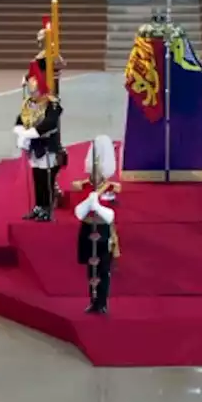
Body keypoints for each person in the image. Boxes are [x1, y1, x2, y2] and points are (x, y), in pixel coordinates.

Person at [73, 135, 121, 315]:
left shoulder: (110, 189)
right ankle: (92, 300)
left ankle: (102, 302)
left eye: (97, 174)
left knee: (103, 269)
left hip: (102, 231)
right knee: (91, 269)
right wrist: (89, 200)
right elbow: (78, 212)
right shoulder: (84, 187)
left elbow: (109, 215)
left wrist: (97, 203)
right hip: (87, 230)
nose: (94, 176)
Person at [13, 74, 63, 222]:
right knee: (37, 177)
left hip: (47, 145)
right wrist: (21, 132)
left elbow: (50, 123)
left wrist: (30, 133)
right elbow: (20, 119)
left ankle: (47, 208)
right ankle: (39, 206)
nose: (32, 94)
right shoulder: (29, 103)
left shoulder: (52, 104)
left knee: (46, 178)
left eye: (35, 91)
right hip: (33, 146)